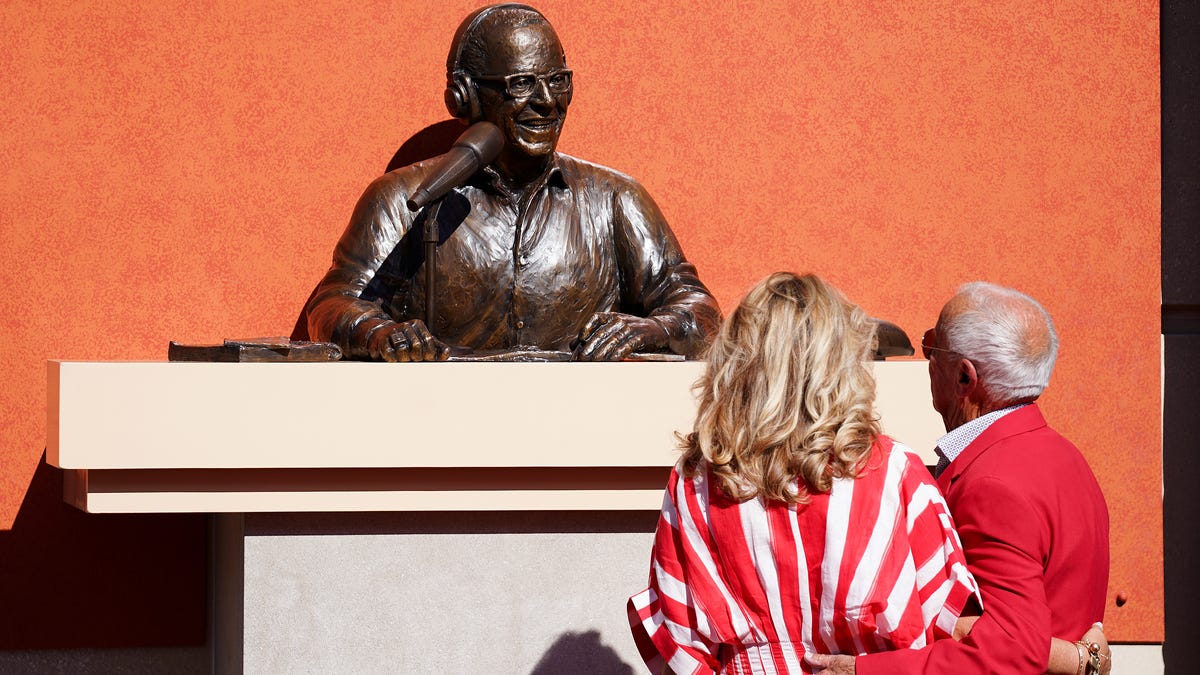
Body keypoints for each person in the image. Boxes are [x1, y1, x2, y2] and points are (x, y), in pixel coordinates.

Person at [305, 3, 721, 362]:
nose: (546, 101)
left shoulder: (615, 200)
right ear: (463, 96)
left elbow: (699, 309)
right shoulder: (403, 200)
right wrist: (379, 334)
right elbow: (332, 305)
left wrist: (651, 331)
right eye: (521, 84)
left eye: (558, 81)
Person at [627, 273, 982, 674]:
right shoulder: (895, 470)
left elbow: (677, 635)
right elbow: (947, 622)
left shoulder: (697, 481)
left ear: (737, 360)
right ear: (839, 361)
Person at [809, 282, 1111, 674]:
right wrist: (1084, 661)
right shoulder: (1067, 457)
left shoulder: (993, 483)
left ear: (965, 377)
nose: (926, 359)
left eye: (931, 345)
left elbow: (1007, 650)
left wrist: (863, 670)